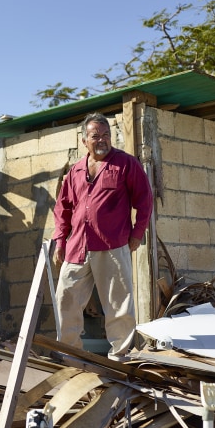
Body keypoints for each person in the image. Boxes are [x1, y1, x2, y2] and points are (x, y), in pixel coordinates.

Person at [52, 112, 153, 361]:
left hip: (112, 245)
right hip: (78, 247)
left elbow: (145, 200)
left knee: (118, 304)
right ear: (84, 140)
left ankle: (119, 357)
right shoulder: (75, 171)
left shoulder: (126, 164)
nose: (102, 140)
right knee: (66, 298)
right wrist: (59, 240)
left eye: (106, 135)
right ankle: (70, 355)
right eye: (95, 136)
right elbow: (62, 208)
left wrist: (137, 234)